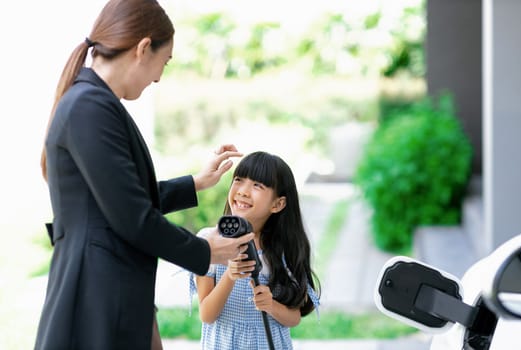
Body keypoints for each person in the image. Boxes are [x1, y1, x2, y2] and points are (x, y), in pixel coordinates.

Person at [34, 0, 254, 349]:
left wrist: (195, 183)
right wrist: (205, 250)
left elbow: (119, 198)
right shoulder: (89, 106)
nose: (159, 77)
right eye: (163, 62)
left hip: (110, 289)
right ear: (142, 48)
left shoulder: (96, 103)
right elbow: (131, 217)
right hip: (96, 297)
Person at [191, 151, 321, 350]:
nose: (243, 190)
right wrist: (230, 275)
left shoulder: (285, 249)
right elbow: (207, 315)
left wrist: (271, 305)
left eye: (257, 185)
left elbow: (294, 318)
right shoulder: (210, 242)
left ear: (278, 204)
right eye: (239, 180)